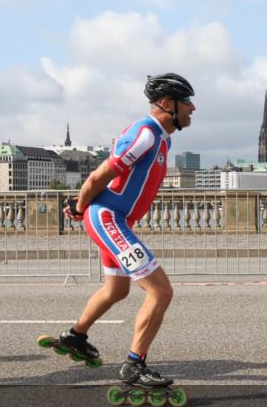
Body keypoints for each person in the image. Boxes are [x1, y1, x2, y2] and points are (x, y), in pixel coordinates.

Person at [57, 73, 196, 390]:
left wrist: (83, 207)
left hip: (114, 218)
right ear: (166, 104)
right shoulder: (145, 134)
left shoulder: (162, 137)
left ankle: (76, 336)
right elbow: (97, 177)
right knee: (161, 291)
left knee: (117, 290)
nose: (192, 107)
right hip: (110, 219)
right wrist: (81, 207)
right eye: (186, 101)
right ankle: (135, 365)